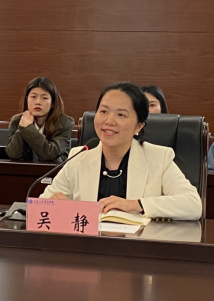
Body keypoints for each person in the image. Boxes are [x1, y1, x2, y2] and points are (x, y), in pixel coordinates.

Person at [40, 82, 202, 221]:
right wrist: (54, 205)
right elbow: (42, 205)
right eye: (103, 111)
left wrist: (136, 204)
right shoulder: (79, 156)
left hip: (139, 246)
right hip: (89, 245)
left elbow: (193, 204)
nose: (109, 121)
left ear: (139, 126)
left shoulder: (159, 158)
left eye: (121, 115)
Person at [6, 77, 75, 163]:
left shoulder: (65, 123)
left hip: (56, 170)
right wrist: (21, 127)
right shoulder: (16, 121)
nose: (38, 102)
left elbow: (49, 154)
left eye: (44, 98)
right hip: (24, 170)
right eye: (33, 97)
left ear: (53, 103)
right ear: (27, 99)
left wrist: (28, 128)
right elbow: (14, 154)